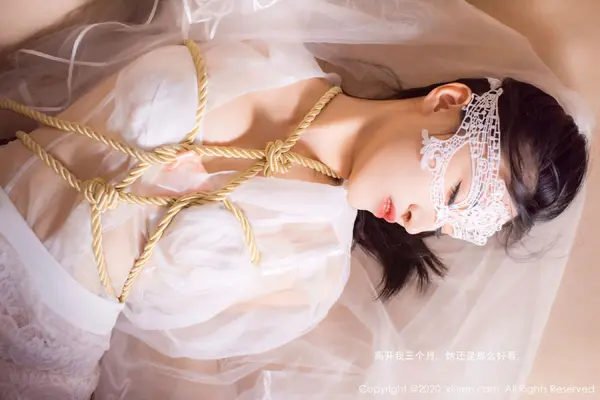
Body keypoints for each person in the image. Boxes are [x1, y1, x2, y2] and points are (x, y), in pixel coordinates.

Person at [0, 0, 591, 398]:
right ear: (446, 102)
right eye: (454, 191)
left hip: (28, 351)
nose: (418, 223)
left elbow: (155, 356)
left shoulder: (310, 270)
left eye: (451, 223)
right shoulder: (260, 35)